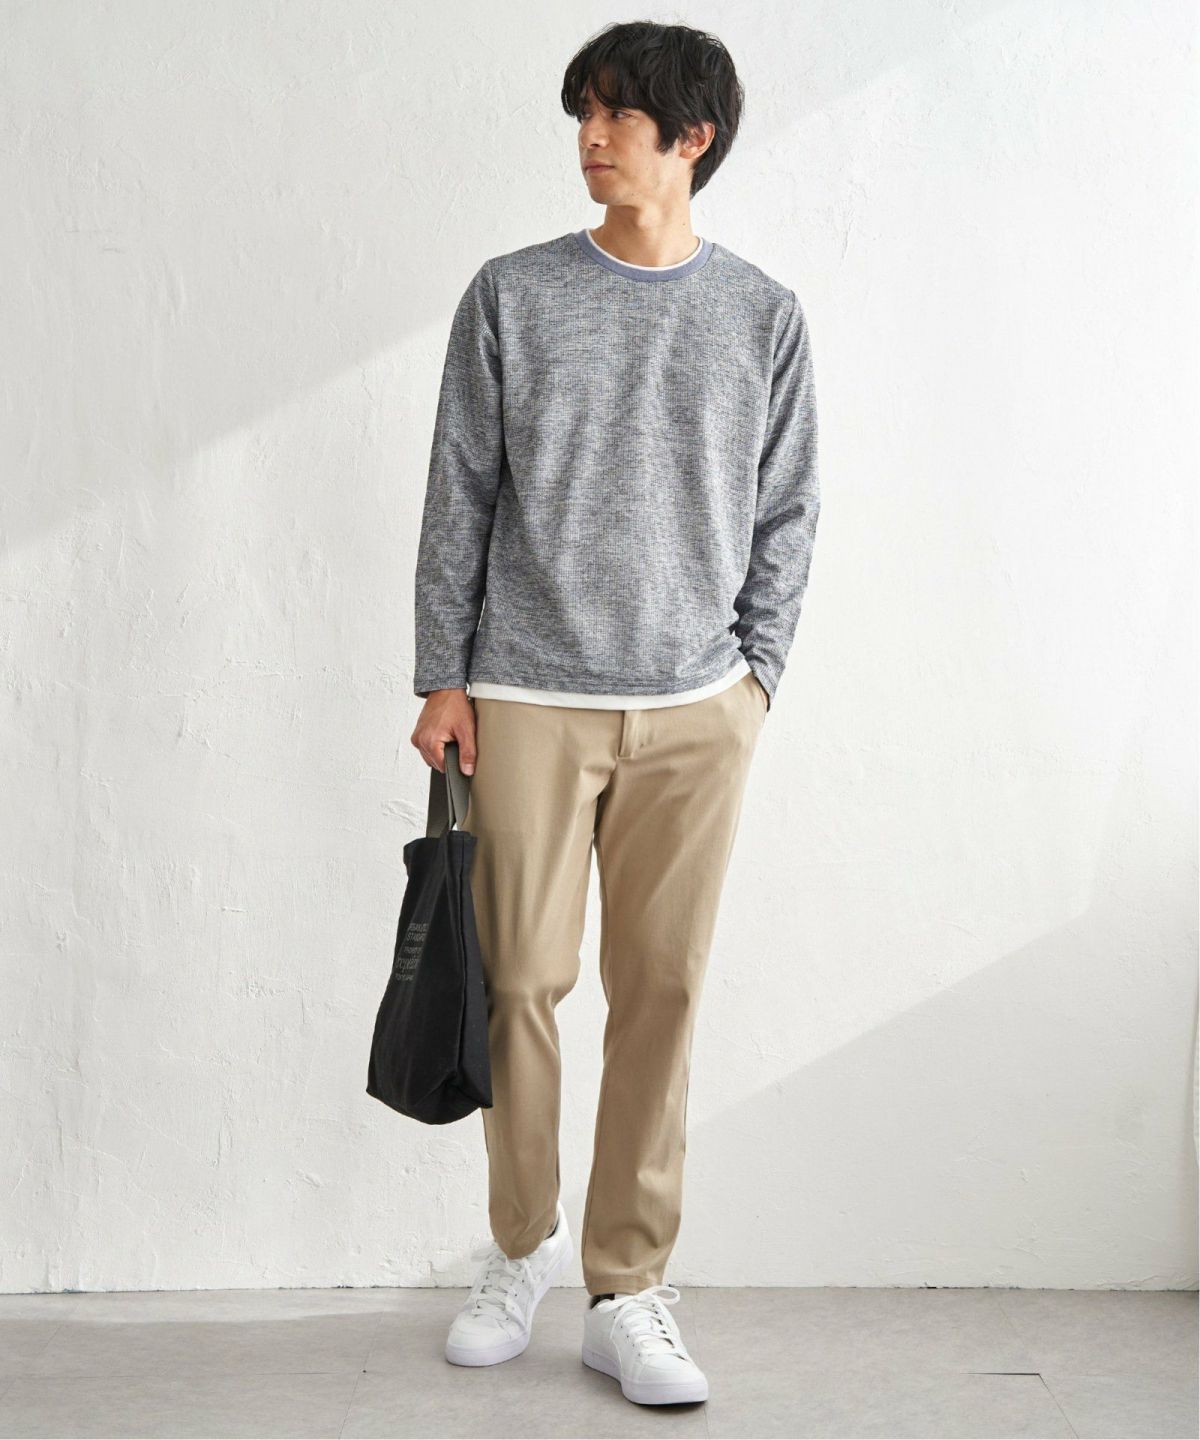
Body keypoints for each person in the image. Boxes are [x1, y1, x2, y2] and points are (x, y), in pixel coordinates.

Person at [410, 19, 820, 1408]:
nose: (590, 138)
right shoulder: (512, 296)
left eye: (618, 115)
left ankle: (627, 1287)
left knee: (663, 992)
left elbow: (788, 510)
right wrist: (443, 674)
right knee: (520, 983)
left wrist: (755, 681)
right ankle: (518, 1249)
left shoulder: (763, 315)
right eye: (582, 112)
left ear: (691, 137)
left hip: (698, 711)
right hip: (528, 696)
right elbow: (460, 490)